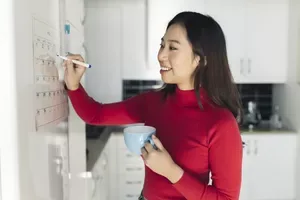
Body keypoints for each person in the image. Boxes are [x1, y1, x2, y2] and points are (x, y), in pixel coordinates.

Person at [64, 11, 243, 200]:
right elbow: (96, 114)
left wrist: (171, 171)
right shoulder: (154, 102)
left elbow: (227, 198)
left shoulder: (221, 123)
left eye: (172, 48)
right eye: (162, 45)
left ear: (201, 59)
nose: (161, 55)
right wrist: (73, 86)